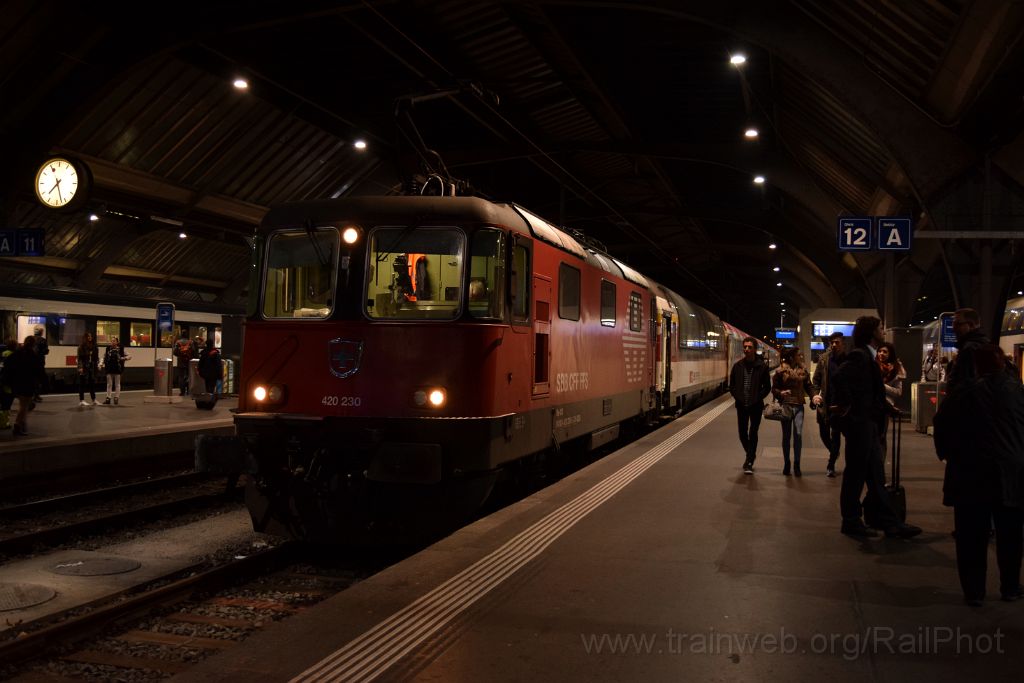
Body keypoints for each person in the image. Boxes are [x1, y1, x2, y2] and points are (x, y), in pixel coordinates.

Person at [934, 344, 1024, 606]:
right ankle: (1009, 586)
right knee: (1010, 535)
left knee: (971, 537)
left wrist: (949, 454)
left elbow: (941, 424)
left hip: (970, 474)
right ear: (1002, 363)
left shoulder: (964, 392)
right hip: (1010, 474)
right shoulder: (1017, 392)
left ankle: (974, 592)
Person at [831, 316, 922, 539]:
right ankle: (852, 521)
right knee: (856, 474)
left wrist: (886, 409)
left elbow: (871, 391)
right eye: (880, 328)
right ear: (872, 332)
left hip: (867, 425)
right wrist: (851, 409)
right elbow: (839, 378)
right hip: (861, 425)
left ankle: (889, 522)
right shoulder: (860, 355)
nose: (883, 331)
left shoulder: (867, 356)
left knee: (875, 475)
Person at [729, 337, 772, 475]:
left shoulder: (762, 367)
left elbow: (767, 387)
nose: (746, 349)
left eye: (749, 347)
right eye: (745, 347)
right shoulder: (737, 366)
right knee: (742, 433)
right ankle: (751, 455)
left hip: (755, 406)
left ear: (754, 349)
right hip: (741, 405)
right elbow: (732, 386)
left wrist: (757, 398)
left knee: (753, 432)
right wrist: (738, 397)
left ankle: (749, 462)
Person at [772, 347, 814, 476]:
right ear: (792, 357)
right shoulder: (780, 371)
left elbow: (808, 385)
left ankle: (797, 464)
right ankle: (787, 463)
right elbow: (774, 389)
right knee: (786, 436)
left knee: (798, 434)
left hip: (799, 405)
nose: (800, 357)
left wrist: (814, 396)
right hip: (786, 406)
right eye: (798, 355)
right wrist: (781, 393)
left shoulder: (803, 370)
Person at [812, 332, 845, 477]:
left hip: (839, 405)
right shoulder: (824, 359)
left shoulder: (848, 360)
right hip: (825, 404)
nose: (834, 345)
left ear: (843, 343)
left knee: (836, 434)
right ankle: (834, 452)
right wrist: (815, 395)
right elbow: (816, 380)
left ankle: (831, 464)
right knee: (823, 434)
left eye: (837, 342)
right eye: (832, 342)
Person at [3, 336, 44, 436]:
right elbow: (39, 370)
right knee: (24, 406)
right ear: (34, 344)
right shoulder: (33, 355)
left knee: (23, 405)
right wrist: (42, 382)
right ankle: (18, 425)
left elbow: (8, 364)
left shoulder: (18, 353)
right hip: (28, 384)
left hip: (17, 383)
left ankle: (22, 425)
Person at [876, 341, 906, 460]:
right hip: (871, 405)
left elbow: (898, 392)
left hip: (885, 407)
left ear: (890, 354)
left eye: (885, 352)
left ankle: (879, 466)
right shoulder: (873, 365)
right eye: (880, 351)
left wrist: (883, 386)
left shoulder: (896, 369)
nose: (881, 354)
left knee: (881, 437)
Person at [945, 308, 988, 390]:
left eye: (957, 324)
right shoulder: (985, 344)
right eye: (953, 324)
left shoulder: (969, 350)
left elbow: (963, 385)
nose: (953, 328)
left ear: (971, 325)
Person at [102, 336, 130, 405]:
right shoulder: (108, 348)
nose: (112, 342)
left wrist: (122, 358)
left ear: (117, 342)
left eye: (114, 341)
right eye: (111, 341)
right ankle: (108, 398)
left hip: (117, 369)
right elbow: (104, 357)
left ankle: (116, 398)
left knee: (117, 384)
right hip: (109, 368)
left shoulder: (121, 349)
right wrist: (101, 364)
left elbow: (129, 356)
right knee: (109, 384)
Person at [77, 331, 100, 406]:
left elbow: (96, 357)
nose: (90, 338)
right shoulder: (81, 346)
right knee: (82, 384)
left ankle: (94, 400)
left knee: (92, 384)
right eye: (88, 336)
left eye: (91, 336)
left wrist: (98, 364)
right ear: (85, 337)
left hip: (92, 367)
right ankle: (81, 400)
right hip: (84, 367)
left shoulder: (94, 346)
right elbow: (79, 358)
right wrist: (80, 367)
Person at [0, 338, 17, 430]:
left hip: (1, 381)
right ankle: (3, 423)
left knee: (3, 404)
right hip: (8, 384)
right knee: (6, 405)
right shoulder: (14, 356)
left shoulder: (3, 353)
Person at [32, 326, 48, 403]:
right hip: (39, 362)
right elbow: (46, 351)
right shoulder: (43, 340)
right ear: (41, 332)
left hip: (31, 362)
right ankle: (36, 396)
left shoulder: (30, 339)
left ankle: (32, 395)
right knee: (38, 379)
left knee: (32, 379)